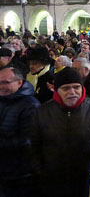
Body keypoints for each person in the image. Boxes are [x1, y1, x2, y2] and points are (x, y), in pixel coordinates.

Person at [30, 67, 90, 197]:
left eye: (76, 87)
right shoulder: (42, 112)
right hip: (52, 180)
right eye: (66, 88)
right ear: (56, 90)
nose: (72, 92)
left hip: (87, 179)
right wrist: (41, 171)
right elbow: (34, 145)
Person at [0, 67, 40, 197]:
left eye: (6, 82)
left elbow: (30, 141)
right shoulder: (3, 99)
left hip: (18, 173)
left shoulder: (30, 105)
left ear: (19, 82)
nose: (1, 86)